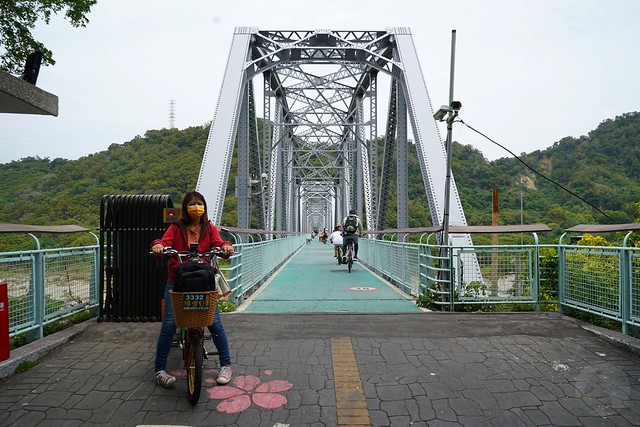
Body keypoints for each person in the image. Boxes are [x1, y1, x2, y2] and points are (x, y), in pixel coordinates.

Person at [151, 191, 235, 388]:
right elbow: (164, 242)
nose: (196, 207)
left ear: (204, 207)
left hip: (203, 282)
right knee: (170, 325)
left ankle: (226, 365)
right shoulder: (176, 227)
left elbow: (219, 243)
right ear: (185, 208)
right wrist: (158, 246)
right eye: (192, 203)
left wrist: (226, 246)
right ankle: (160, 370)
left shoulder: (209, 227)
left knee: (214, 323)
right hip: (178, 282)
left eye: (199, 203)